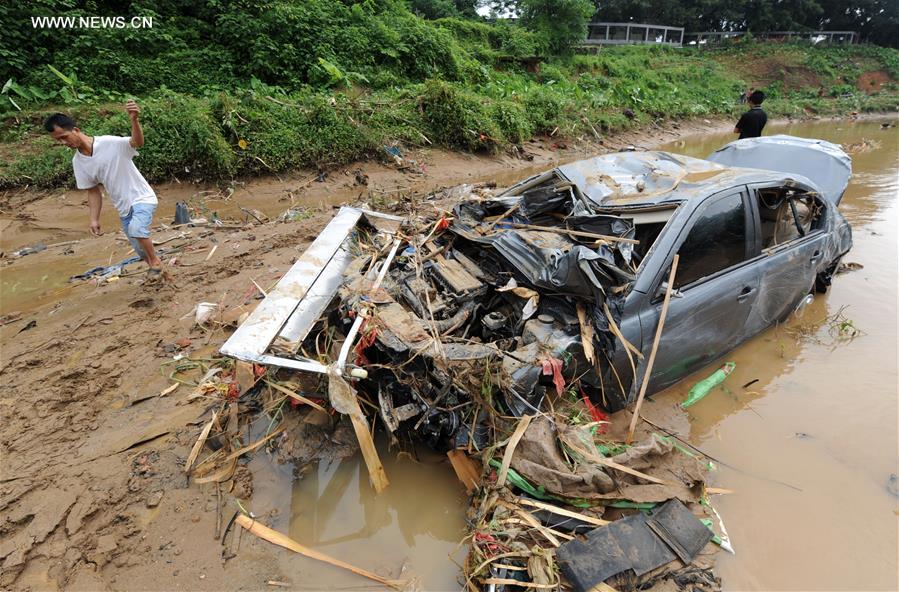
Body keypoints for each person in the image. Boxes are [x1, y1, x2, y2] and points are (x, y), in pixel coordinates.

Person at [44, 101, 165, 276]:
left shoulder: (109, 143)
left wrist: (134, 121)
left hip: (142, 197)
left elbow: (137, 142)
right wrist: (94, 219)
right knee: (141, 252)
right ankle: (161, 271)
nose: (63, 143)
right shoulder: (78, 162)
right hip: (123, 208)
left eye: (64, 137)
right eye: (58, 140)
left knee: (137, 229)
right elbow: (93, 191)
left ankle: (155, 262)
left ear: (76, 130)